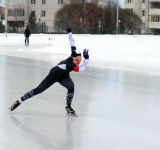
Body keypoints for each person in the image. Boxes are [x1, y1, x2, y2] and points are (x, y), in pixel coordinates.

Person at [10, 25, 89, 115]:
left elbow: (72, 43)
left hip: (64, 75)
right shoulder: (69, 65)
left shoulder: (73, 55)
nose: (79, 61)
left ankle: (68, 106)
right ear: (72, 58)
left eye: (80, 59)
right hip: (53, 75)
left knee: (71, 87)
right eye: (77, 60)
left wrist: (69, 32)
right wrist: (87, 59)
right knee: (38, 90)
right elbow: (82, 69)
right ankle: (19, 101)